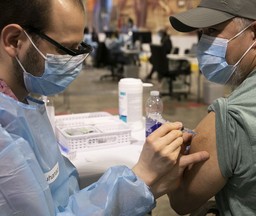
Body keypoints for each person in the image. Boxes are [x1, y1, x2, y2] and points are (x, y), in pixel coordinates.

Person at [0, 0, 209, 215]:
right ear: (14, 40)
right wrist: (141, 176)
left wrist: (147, 185)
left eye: (79, 48)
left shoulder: (21, 105)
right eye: (65, 49)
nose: (74, 63)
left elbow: (62, 193)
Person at [168, 0, 256, 215]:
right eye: (203, 33)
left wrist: (172, 166)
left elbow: (182, 202)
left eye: (213, 30)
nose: (204, 43)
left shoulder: (232, 116)